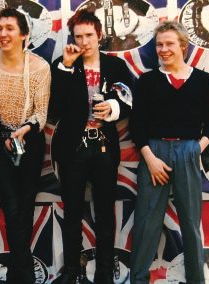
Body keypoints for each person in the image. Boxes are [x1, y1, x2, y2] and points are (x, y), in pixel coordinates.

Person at [129, 21, 209, 284]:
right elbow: (137, 124)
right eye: (159, 44)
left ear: (183, 45)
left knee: (190, 222)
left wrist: (197, 147)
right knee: (147, 222)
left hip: (188, 150)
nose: (164, 49)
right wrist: (149, 157)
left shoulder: (202, 80)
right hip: (153, 152)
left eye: (169, 43)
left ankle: (196, 279)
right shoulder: (147, 81)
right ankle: (139, 279)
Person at [49, 9, 133, 284]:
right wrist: (65, 67)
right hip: (73, 148)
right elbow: (54, 108)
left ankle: (105, 274)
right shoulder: (64, 64)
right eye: (78, 36)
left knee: (105, 213)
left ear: (99, 35)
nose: (84, 41)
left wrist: (114, 107)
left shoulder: (115, 66)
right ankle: (72, 271)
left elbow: (131, 100)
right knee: (72, 211)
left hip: (104, 148)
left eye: (88, 35)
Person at [0, 8, 51, 284]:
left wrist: (25, 129)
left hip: (28, 142)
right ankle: (24, 273)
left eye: (9, 28)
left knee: (25, 206)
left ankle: (19, 275)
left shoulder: (40, 67)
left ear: (24, 35)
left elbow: (41, 113)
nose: (3, 34)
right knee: (9, 206)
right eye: (0, 28)